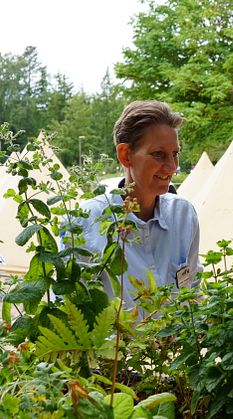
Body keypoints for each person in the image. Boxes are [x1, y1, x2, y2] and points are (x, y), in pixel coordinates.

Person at [73, 100, 202, 319]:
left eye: (175, 153)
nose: (172, 167)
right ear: (125, 155)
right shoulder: (85, 222)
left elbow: (192, 293)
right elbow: (72, 310)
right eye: (159, 154)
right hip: (112, 354)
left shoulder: (184, 215)